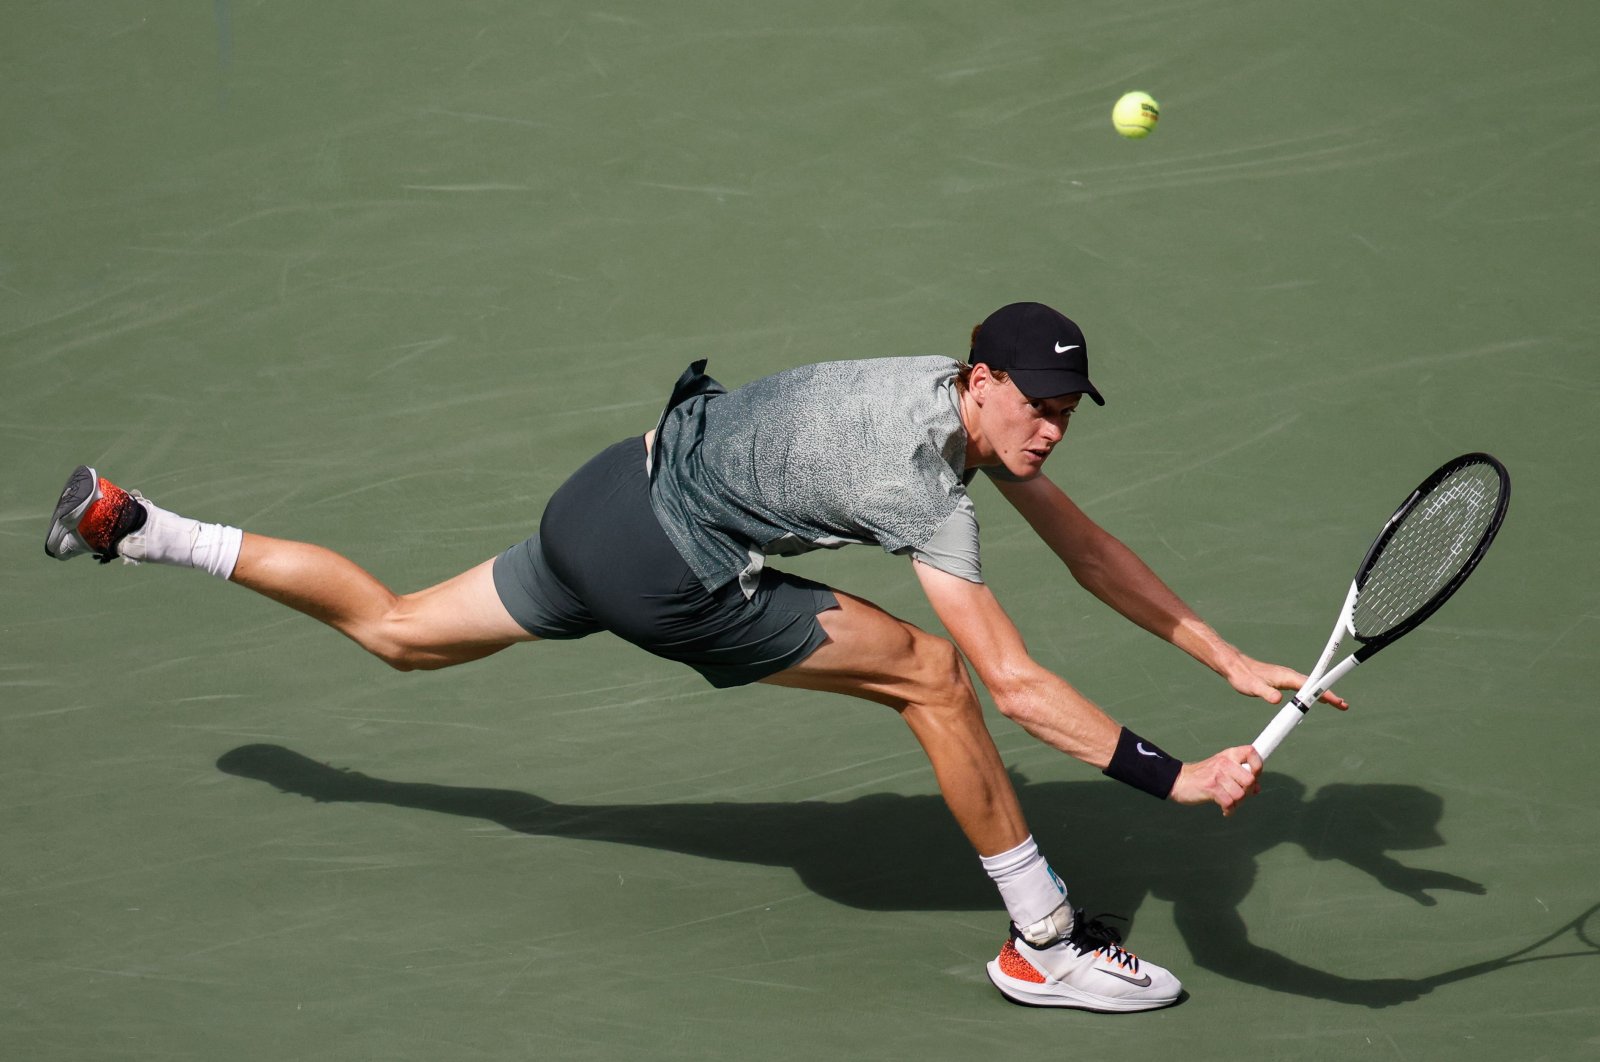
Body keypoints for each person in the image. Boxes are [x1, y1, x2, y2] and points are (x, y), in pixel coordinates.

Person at [44, 301, 1345, 1013]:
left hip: (606, 495)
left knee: (395, 629)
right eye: (1038, 408)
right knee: (938, 678)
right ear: (985, 380)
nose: (1053, 433)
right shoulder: (923, 487)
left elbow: (1086, 548)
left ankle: (146, 528)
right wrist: (1170, 780)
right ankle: (1044, 943)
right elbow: (1010, 679)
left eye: (1068, 413)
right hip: (670, 566)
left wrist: (1225, 656)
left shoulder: (927, 395)